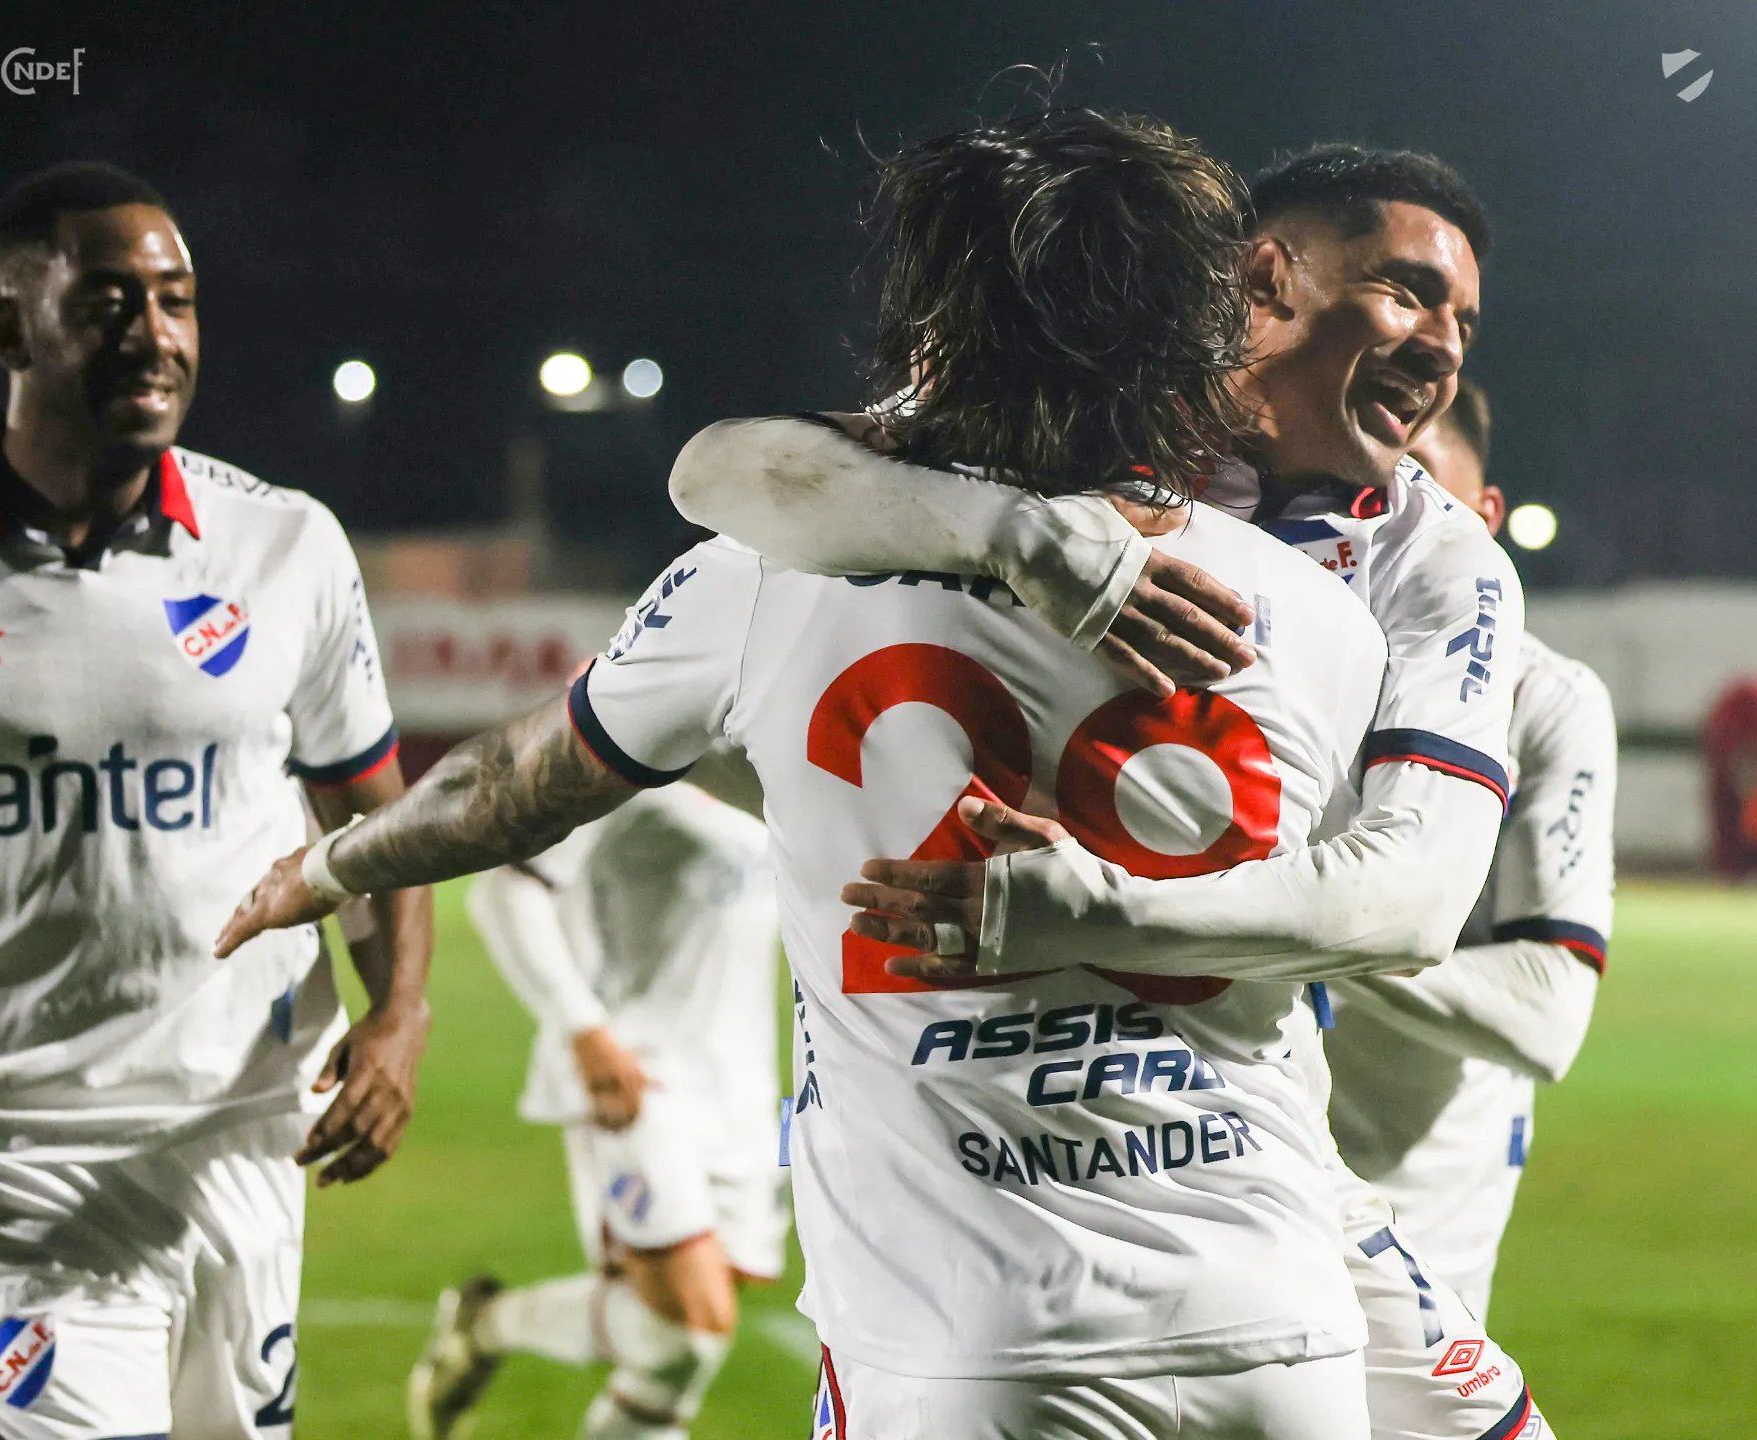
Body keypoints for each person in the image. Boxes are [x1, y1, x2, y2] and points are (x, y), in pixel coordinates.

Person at [222, 109, 1398, 1440]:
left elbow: (511, 788)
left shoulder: (765, 583)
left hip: (966, 1342)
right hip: (1275, 1327)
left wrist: (332, 862)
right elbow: (1351, 913)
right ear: (1200, 336)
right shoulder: (1319, 619)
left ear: (933, 336)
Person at [665, 146, 1553, 1439]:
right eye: (1409, 293)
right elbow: (720, 472)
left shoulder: (1437, 560)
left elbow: (1412, 900)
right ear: (1268, 276)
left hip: (1248, 1124)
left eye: (1464, 319)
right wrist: (1021, 541)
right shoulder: (1078, 434)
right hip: (971, 1150)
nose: (1445, 347)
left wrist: (1094, 907)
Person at [0, 162, 432, 1439]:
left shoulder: (286, 546)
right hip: (13, 1166)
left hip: (246, 1146)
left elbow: (375, 823)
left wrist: (399, 1013)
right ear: (9, 329)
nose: (155, 334)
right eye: (109, 302)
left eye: (176, 300)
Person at [1326, 381, 1616, 1321]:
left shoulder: (1543, 700)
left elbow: (1546, 1013)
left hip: (1429, 1179)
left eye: (1423, 484)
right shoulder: (1283, 659)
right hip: (1240, 1139)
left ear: (1486, 517)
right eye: (1367, 491)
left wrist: (1295, 927)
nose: (1391, 520)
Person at [408, 781, 788, 1440]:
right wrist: (583, 1029)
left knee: (669, 1357)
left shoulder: (765, 763)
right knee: (687, 1332)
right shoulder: (630, 756)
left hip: (742, 1095)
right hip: (638, 1077)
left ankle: (483, 1324)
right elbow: (505, 892)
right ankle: (490, 1325)